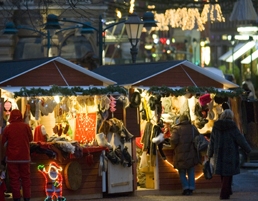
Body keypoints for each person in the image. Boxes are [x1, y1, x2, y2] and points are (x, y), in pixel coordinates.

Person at [207, 109, 251, 200]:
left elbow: (212, 142)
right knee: (228, 173)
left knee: (224, 174)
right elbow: (240, 140)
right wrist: (248, 150)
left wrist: (209, 153)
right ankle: (224, 194)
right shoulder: (232, 127)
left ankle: (228, 190)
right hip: (230, 153)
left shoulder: (216, 127)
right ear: (231, 116)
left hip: (219, 153)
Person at [1, 109, 33, 201]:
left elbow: (3, 142)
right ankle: (27, 198)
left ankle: (17, 198)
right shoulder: (26, 127)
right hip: (24, 158)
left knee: (14, 180)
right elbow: (31, 139)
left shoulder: (8, 128)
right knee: (26, 179)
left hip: (12, 158)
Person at [170, 114, 199, 196]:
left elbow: (173, 140)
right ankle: (191, 188)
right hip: (191, 153)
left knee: (182, 171)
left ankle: (186, 188)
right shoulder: (193, 128)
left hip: (180, 153)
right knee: (191, 171)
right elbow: (198, 138)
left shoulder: (176, 129)